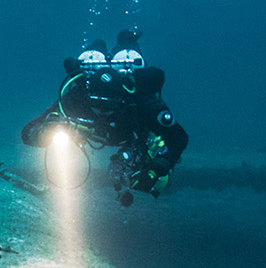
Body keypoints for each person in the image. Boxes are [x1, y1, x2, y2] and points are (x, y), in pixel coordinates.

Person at [22, 29, 189, 203]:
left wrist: (158, 167)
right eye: (97, 103)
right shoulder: (77, 98)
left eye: (110, 104)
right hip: (115, 124)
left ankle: (128, 41)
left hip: (132, 132)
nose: (103, 110)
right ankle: (100, 46)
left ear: (123, 98)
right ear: (88, 97)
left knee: (129, 46)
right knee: (100, 46)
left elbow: (179, 137)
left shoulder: (141, 101)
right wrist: (48, 133)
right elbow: (27, 133)